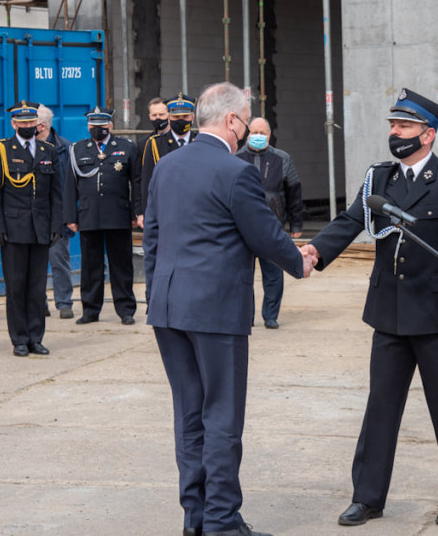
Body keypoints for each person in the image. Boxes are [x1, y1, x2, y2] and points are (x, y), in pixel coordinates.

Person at [301, 88, 438, 529]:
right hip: (388, 314)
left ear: (427, 134)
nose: (394, 132)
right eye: (391, 125)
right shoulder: (379, 178)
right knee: (380, 408)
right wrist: (315, 251)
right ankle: (367, 497)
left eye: (402, 126)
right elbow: (351, 221)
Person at [144, 82, 313, 536]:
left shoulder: (168, 165)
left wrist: (154, 297)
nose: (246, 130)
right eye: (245, 119)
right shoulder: (236, 171)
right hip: (215, 311)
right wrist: (301, 260)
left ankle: (196, 519)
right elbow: (264, 234)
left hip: (168, 306)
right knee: (221, 417)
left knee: (189, 416)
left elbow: (153, 240)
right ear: (233, 121)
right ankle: (221, 520)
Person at [0, 100, 62, 357]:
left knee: (37, 287)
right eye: (23, 122)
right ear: (13, 123)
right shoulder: (1, 150)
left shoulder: (47, 150)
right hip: (13, 229)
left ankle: (35, 337)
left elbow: (56, 193)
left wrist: (56, 225)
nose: (28, 126)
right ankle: (19, 338)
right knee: (16, 287)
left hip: (40, 229)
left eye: (32, 122)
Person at [65, 107, 139, 326]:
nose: (98, 129)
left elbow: (135, 183)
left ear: (110, 126)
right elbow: (70, 186)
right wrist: (70, 216)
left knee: (122, 265)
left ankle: (125, 309)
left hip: (118, 214)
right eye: (94, 126)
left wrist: (136, 212)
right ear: (88, 127)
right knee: (90, 266)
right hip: (89, 216)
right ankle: (90, 309)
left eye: (102, 126)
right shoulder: (77, 149)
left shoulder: (126, 147)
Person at [236, 117, 304, 329]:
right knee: (243, 275)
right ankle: (245, 316)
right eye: (254, 132)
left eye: (262, 133)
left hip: (272, 227)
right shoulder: (236, 158)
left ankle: (271, 315)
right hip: (242, 228)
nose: (258, 136)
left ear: (270, 134)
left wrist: (296, 225)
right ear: (247, 134)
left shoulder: (282, 158)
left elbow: (294, 193)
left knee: (273, 274)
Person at [36, 104, 75, 320]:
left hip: (57, 216)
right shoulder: (25, 147)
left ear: (41, 125)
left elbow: (71, 185)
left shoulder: (65, 148)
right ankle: (39, 303)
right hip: (33, 216)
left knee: (59, 260)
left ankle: (64, 303)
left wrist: (70, 215)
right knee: (35, 264)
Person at [138, 92, 196, 222]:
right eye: (176, 117)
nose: (181, 120)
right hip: (166, 212)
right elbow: (147, 182)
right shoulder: (155, 144)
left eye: (185, 116)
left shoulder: (200, 141)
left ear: (193, 118)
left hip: (196, 211)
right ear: (169, 118)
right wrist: (147, 214)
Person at [133, 97, 169, 229]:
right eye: (154, 115)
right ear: (149, 116)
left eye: (161, 114)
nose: (158, 118)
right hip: (154, 205)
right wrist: (140, 211)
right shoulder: (144, 143)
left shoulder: (181, 140)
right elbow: (138, 179)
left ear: (169, 114)